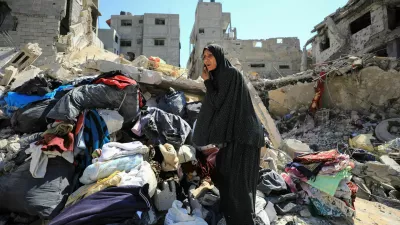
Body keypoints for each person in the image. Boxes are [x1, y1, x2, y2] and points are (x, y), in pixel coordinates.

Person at [192, 44, 265, 225]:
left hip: (244, 137)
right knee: (226, 177)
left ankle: (245, 221)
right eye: (204, 57)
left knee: (239, 185)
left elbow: (217, 103)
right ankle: (234, 219)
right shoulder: (220, 77)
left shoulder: (229, 74)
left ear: (219, 56)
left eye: (210, 56)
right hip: (235, 137)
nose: (206, 60)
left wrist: (207, 81)